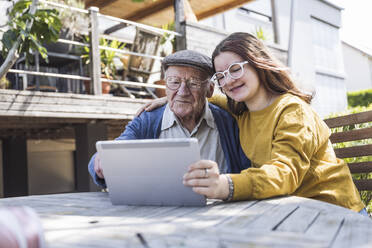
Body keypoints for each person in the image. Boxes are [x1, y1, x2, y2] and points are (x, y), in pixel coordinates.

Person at [141, 32, 367, 215]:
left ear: (258, 63)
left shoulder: (292, 111)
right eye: (220, 76)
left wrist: (225, 185)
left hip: (335, 213)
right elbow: (207, 96)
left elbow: (284, 174)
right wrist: (175, 97)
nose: (228, 80)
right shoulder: (243, 111)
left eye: (235, 69)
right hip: (290, 212)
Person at [88, 50, 251, 189]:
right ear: (165, 86)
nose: (182, 91)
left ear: (209, 90)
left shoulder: (229, 121)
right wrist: (101, 160)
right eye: (174, 82)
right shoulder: (147, 119)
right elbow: (118, 147)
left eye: (193, 83)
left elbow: (247, 171)